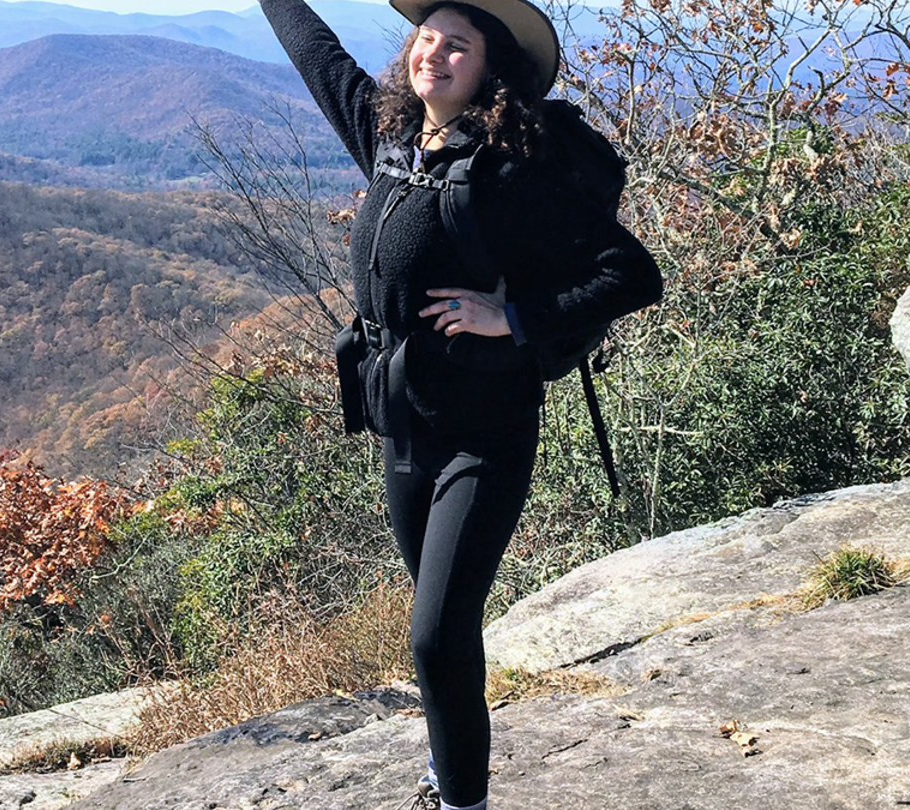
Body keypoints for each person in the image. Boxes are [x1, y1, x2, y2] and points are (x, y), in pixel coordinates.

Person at [258, 0, 664, 808]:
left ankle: (462, 801)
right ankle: (451, 770)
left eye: (458, 46)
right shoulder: (391, 140)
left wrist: (511, 317)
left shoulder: (515, 168)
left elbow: (633, 273)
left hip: (486, 434)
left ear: (489, 68)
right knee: (446, 637)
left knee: (434, 633)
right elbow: (317, 52)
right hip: (404, 432)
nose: (434, 55)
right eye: (427, 38)